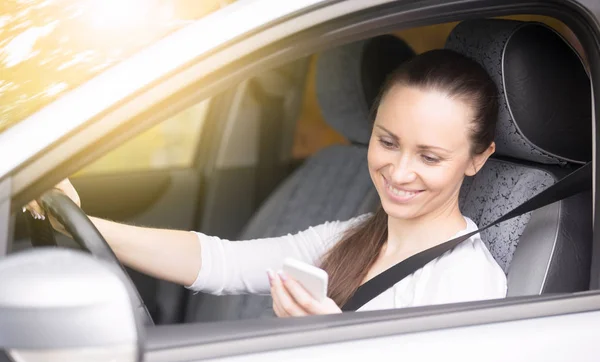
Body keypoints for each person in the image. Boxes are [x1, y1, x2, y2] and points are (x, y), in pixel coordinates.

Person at [26, 48, 507, 318]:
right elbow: (224, 262)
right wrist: (84, 222)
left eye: (429, 156)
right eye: (387, 142)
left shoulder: (467, 281)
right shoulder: (356, 236)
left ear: (476, 159)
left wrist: (331, 343)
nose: (399, 172)